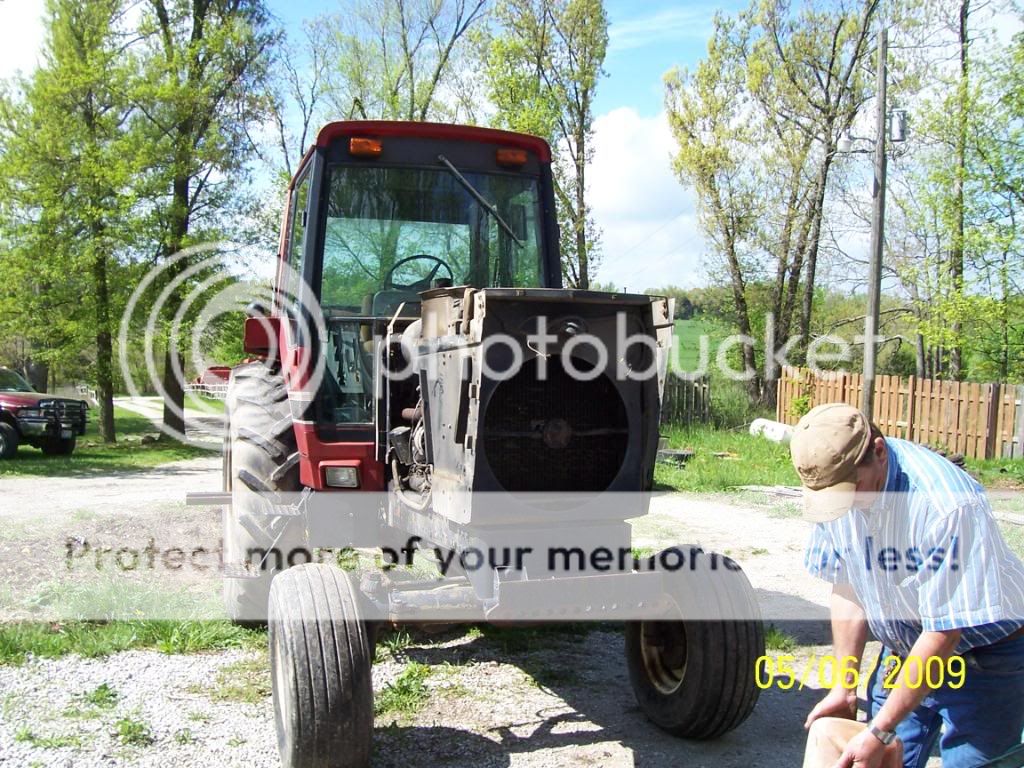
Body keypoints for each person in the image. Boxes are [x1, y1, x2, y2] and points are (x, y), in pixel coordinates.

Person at [791, 403, 1024, 768]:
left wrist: (881, 729)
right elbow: (847, 587)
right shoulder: (834, 487)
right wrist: (844, 684)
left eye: (854, 490)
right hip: (905, 651)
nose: (846, 506)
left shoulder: (945, 505)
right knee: (871, 760)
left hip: (986, 659)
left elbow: (944, 632)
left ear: (879, 452)